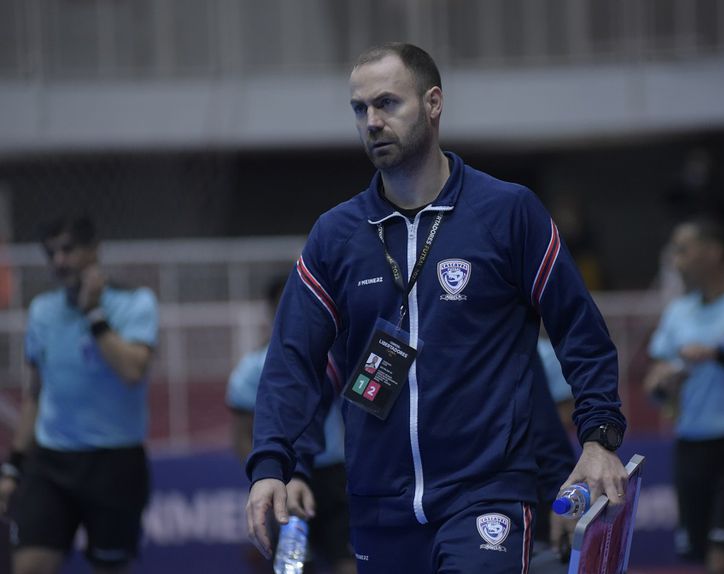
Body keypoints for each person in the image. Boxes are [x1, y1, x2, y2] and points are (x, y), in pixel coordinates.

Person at [245, 43, 627, 573]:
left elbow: (579, 329)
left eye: (387, 103)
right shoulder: (336, 235)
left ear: (433, 103)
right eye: (359, 108)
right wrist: (273, 464)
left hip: (487, 496)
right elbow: (293, 358)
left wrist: (598, 439)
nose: (372, 122)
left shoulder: (507, 212)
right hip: (378, 505)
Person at [0, 216, 158, 574]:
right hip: (51, 462)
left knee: (110, 567)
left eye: (68, 250)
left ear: (94, 250)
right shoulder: (42, 311)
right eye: (51, 253)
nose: (59, 261)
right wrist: (13, 467)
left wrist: (94, 313)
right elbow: (35, 394)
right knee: (28, 566)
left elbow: (132, 370)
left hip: (115, 462)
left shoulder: (136, 303)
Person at [644, 218, 724, 574]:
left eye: (683, 250)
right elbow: (654, 381)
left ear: (713, 252)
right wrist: (664, 383)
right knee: (702, 556)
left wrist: (721, 356)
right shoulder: (677, 312)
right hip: (691, 446)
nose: (676, 261)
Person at [227, 278, 356, 574]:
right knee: (294, 566)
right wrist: (268, 475)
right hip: (287, 478)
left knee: (347, 560)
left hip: (336, 474)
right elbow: (241, 434)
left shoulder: (334, 356)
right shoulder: (251, 370)